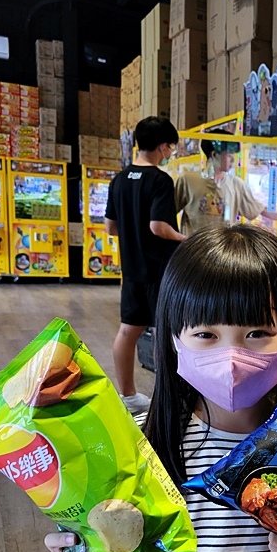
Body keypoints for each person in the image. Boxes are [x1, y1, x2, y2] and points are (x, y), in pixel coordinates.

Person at [44, 225, 277, 552]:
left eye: (257, 333)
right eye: (206, 334)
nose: (230, 358)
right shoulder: (137, 448)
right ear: (173, 339)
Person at [105, 116, 186, 414]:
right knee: (170, 333)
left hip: (132, 269)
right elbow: (158, 226)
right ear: (163, 146)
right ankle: (172, 398)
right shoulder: (161, 180)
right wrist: (184, 239)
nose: (170, 152)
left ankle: (128, 396)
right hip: (160, 270)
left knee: (128, 330)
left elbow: (110, 227)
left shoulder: (119, 179)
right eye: (171, 147)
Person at [174, 130, 277, 236]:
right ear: (214, 155)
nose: (233, 160)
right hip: (194, 249)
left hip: (223, 249)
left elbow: (258, 209)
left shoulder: (237, 185)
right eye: (229, 155)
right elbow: (168, 214)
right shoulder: (187, 181)